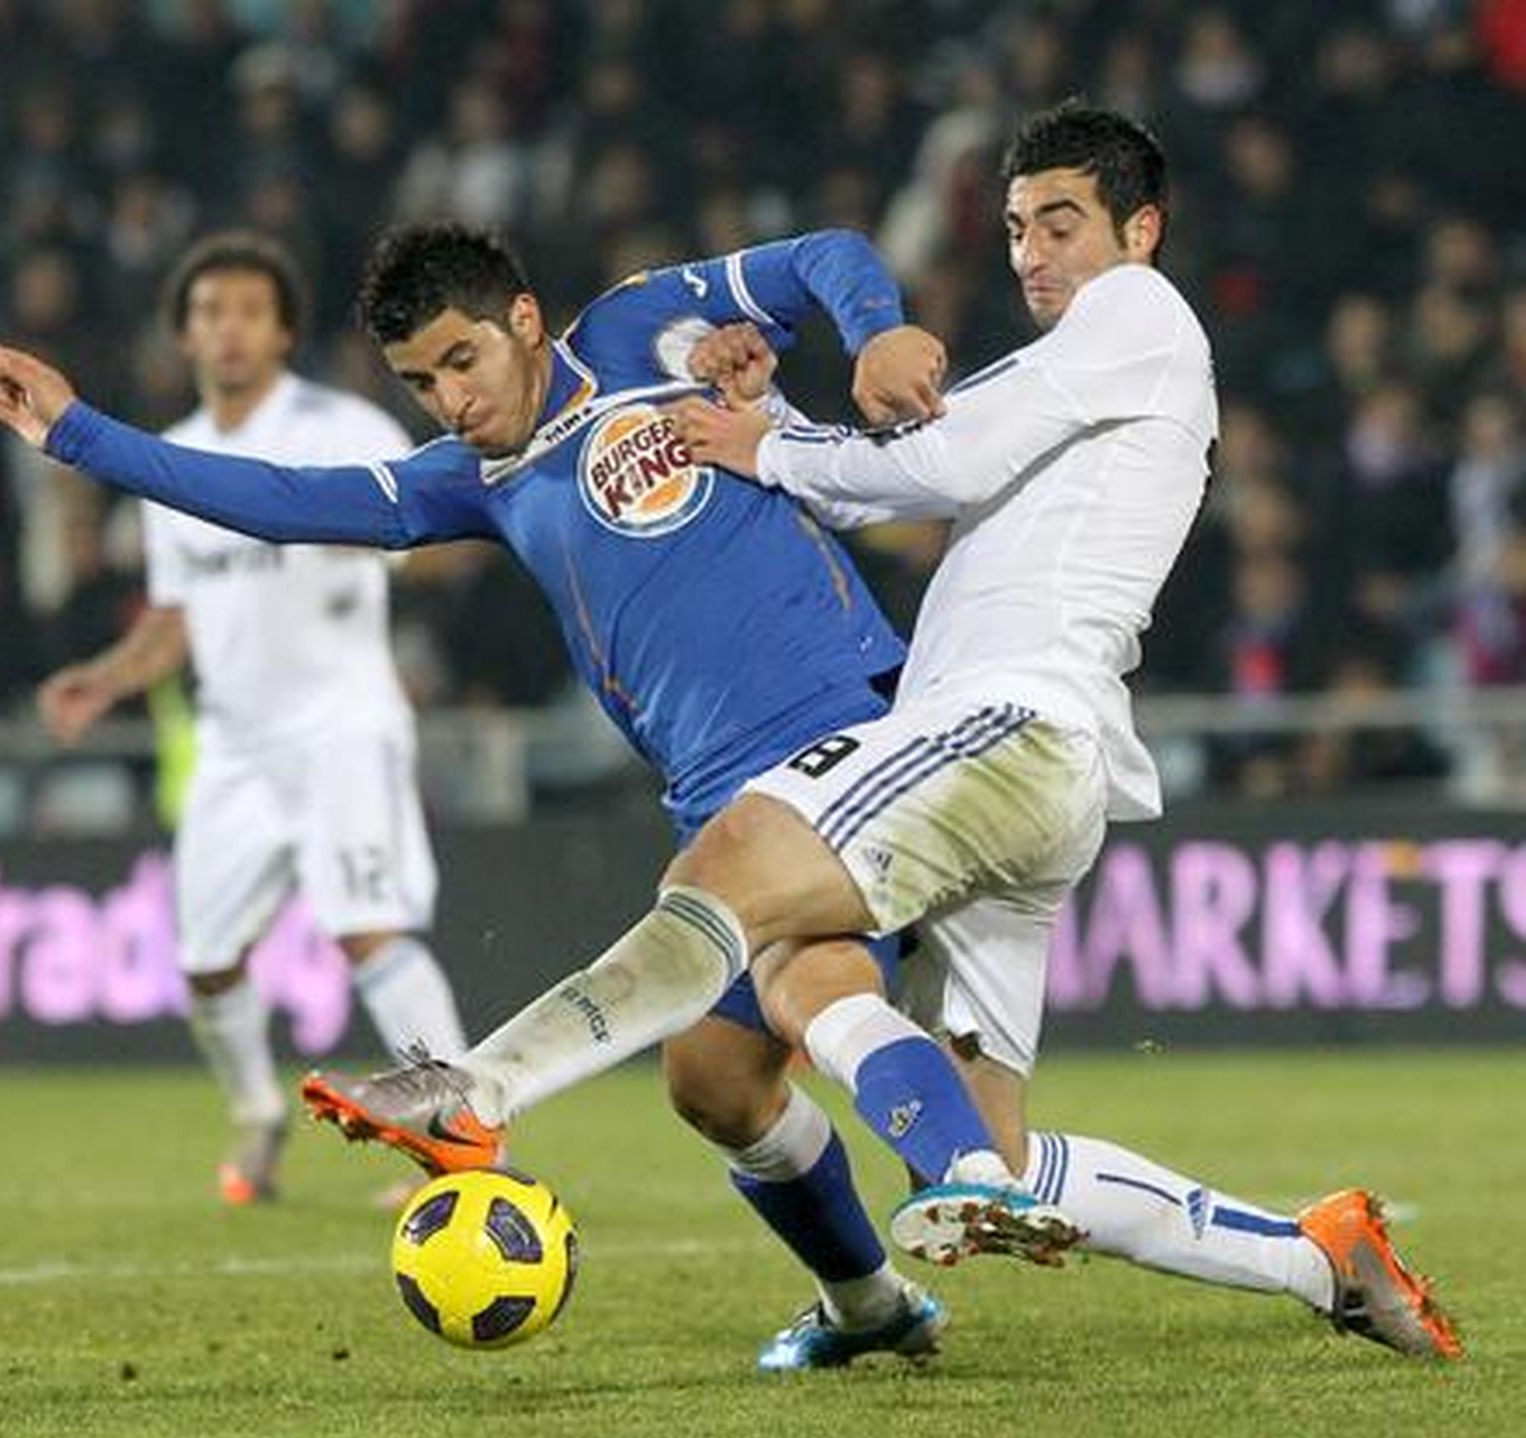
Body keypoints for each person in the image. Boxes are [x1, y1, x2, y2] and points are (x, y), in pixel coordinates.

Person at [287, 105, 1460, 1361]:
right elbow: (911, 480)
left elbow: (935, 470)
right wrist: (778, 426)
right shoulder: (1071, 374)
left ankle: (475, 1089)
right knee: (994, 1146)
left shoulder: (1137, 314)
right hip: (1015, 762)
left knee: (726, 872)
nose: (1029, 255)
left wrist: (770, 441)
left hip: (1003, 725)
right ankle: (1315, 1256)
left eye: (1058, 223)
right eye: (1013, 228)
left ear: (1142, 228)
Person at [0, 222, 1060, 1372]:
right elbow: (284, 499)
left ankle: (963, 1174)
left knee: (811, 985)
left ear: (524, 321)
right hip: (716, 794)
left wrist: (877, 329)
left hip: (848, 732)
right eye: (418, 382)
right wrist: (78, 436)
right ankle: (872, 1304)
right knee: (712, 1081)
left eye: (459, 361)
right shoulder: (471, 483)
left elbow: (824, 254)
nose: (447, 399)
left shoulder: (647, 329)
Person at [30, 231, 469, 1206]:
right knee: (205, 963)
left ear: (281, 332)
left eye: (247, 311)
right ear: (184, 334)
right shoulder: (172, 463)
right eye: (209, 312)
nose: (227, 328)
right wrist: (103, 679)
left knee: (368, 928)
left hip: (342, 726)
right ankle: (259, 1114)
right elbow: (176, 620)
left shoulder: (343, 431)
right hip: (234, 747)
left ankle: (462, 1135)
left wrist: (381, 541)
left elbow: (445, 532)